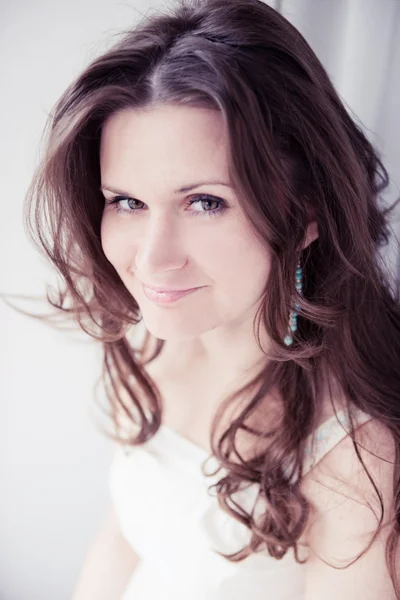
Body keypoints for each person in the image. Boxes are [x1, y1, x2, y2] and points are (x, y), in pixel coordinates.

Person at [22, 0, 400, 598]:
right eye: (126, 201)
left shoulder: (353, 458)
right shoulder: (152, 333)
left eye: (204, 203)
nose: (151, 259)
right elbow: (127, 534)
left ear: (304, 214)